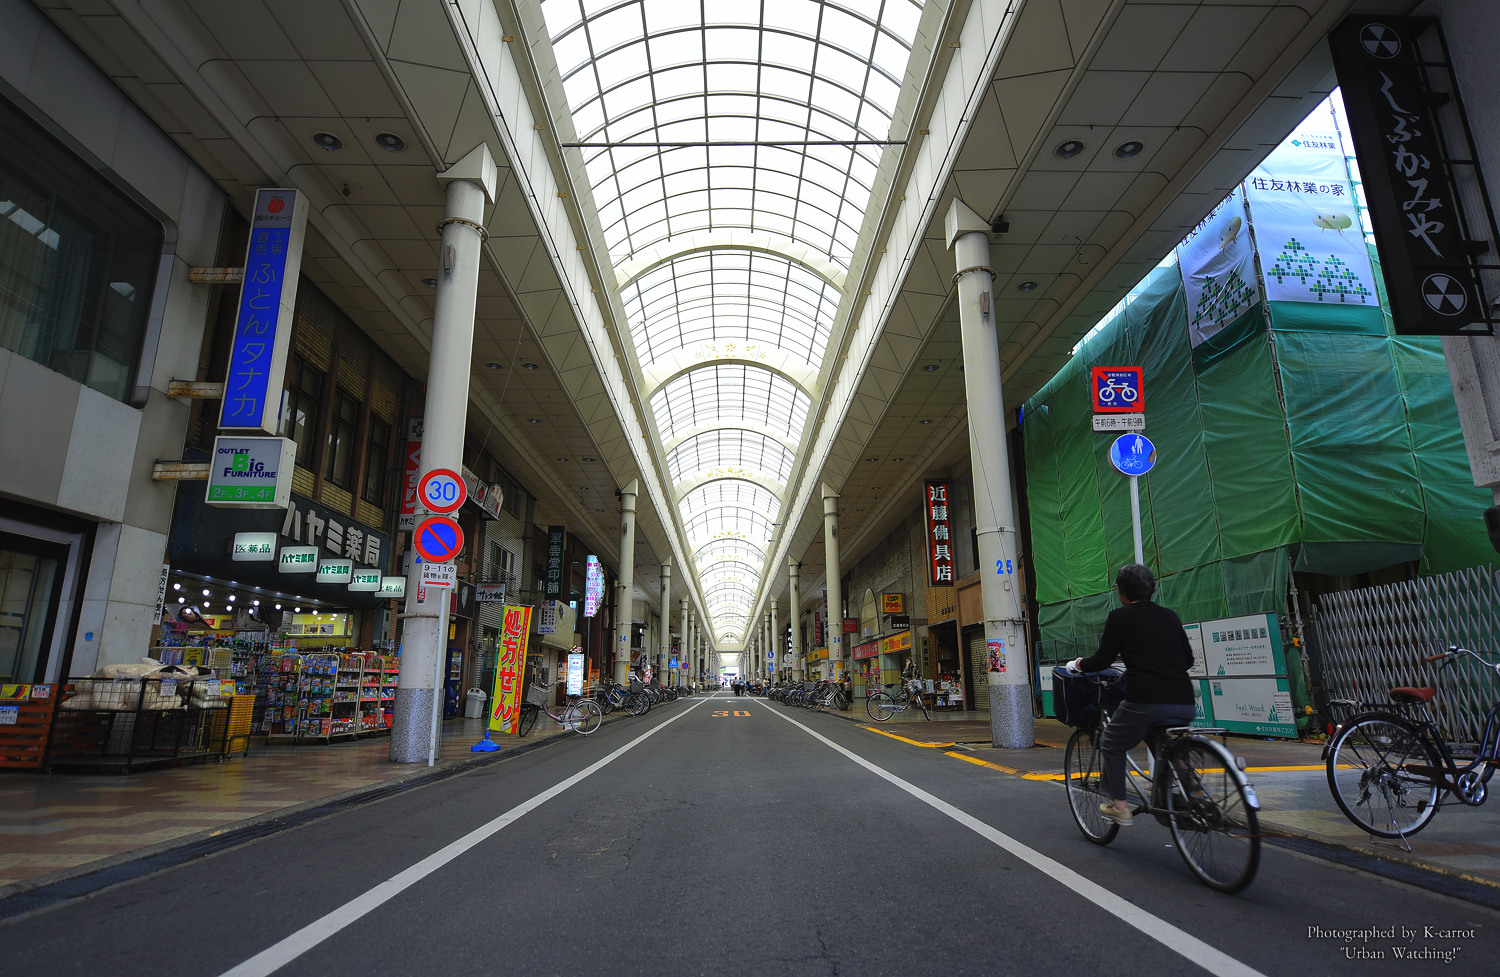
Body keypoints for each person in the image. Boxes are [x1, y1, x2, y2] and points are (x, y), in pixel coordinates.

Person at [1068, 564, 1195, 826]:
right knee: (1164, 742)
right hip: (1184, 701)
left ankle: (1121, 808)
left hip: (1146, 699)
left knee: (1112, 743)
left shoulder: (1119, 617)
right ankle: (1193, 787)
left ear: (1122, 591)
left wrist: (1079, 664)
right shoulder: (1169, 615)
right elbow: (1188, 659)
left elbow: (1103, 658)